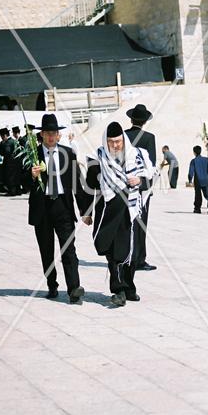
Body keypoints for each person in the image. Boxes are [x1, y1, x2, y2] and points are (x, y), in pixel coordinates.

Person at [83, 122, 156, 306]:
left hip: (132, 211)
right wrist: (87, 212)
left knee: (133, 251)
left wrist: (139, 179)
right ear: (105, 142)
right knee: (114, 251)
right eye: (111, 142)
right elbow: (90, 187)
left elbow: (149, 180)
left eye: (118, 141)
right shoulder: (97, 158)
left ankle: (129, 287)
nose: (115, 146)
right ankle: (118, 290)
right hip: (109, 211)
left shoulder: (138, 155)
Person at [29, 114, 86, 303]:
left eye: (54, 133)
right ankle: (52, 285)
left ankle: (74, 288)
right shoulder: (33, 154)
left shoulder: (68, 154)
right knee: (46, 250)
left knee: (69, 249)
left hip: (63, 206)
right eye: (47, 133)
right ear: (42, 135)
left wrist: (85, 210)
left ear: (59, 135)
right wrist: (30, 175)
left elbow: (77, 184)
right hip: (42, 208)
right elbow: (16, 178)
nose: (51, 136)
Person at [125, 104, 157, 272]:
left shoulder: (123, 136)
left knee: (127, 223)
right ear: (144, 122)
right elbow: (151, 164)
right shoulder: (149, 138)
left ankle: (127, 256)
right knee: (141, 223)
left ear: (131, 119)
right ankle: (139, 259)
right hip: (142, 186)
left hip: (125, 184)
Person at [188, 145, 208, 214]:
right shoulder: (206, 159)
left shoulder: (193, 161)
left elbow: (191, 172)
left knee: (198, 195)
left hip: (198, 180)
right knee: (207, 193)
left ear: (194, 152)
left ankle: (197, 208)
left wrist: (190, 180)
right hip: (205, 179)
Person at [0, 127, 21, 196]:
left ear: (4, 135)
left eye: (1, 136)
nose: (1, 138)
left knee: (10, 177)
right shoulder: (14, 141)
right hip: (17, 161)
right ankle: (18, 191)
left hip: (9, 162)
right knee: (16, 176)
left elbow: (6, 152)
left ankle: (12, 191)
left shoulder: (7, 143)